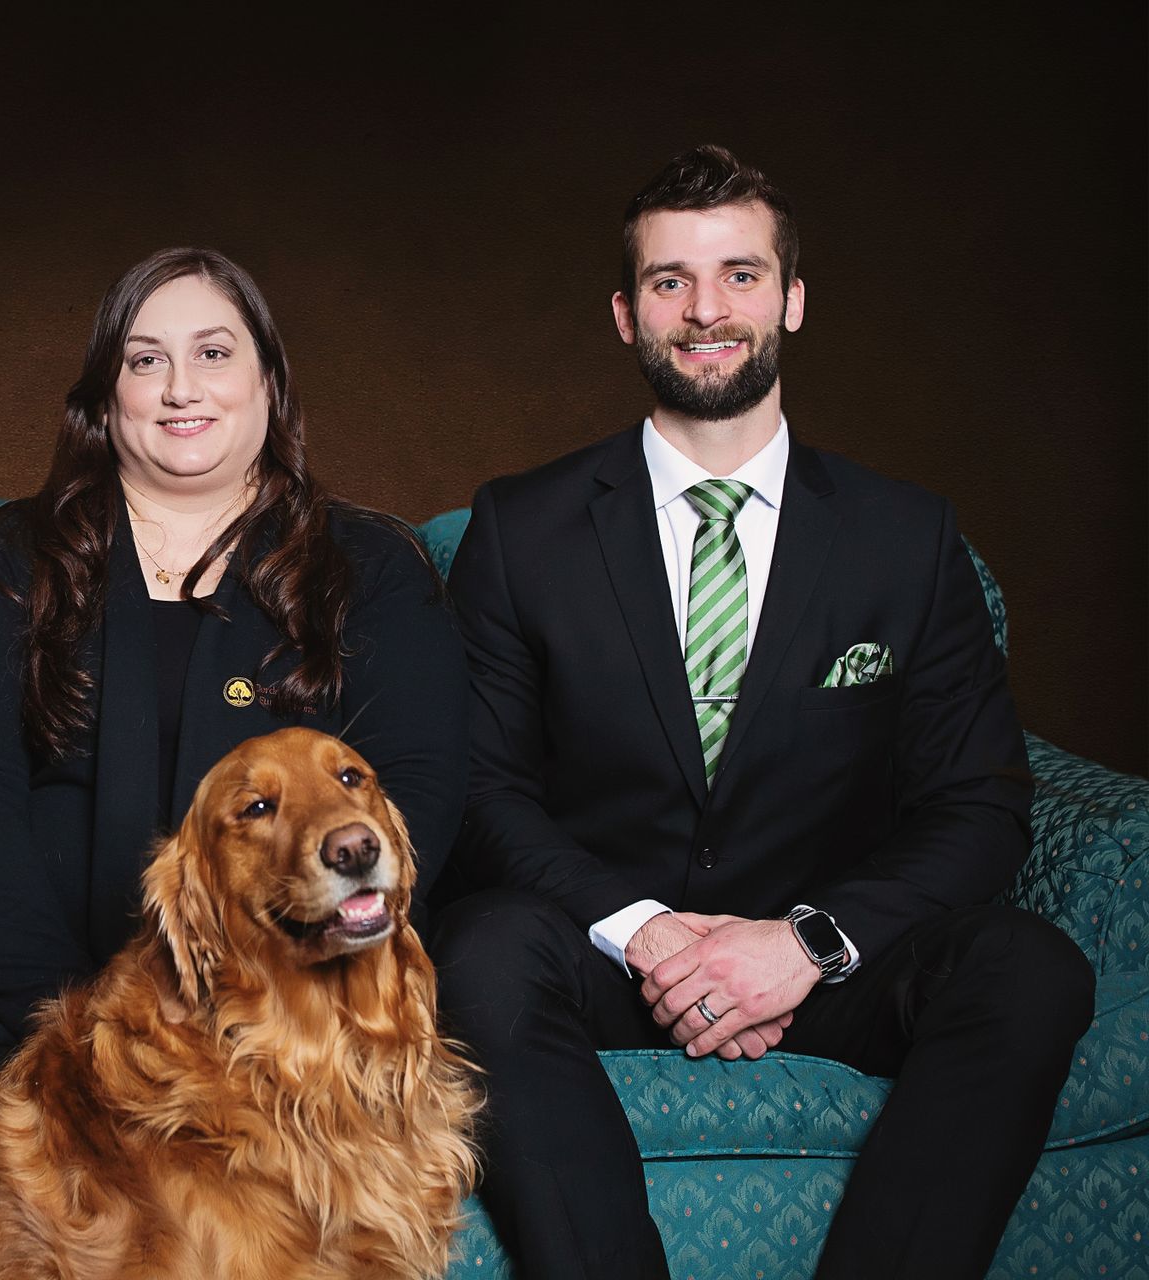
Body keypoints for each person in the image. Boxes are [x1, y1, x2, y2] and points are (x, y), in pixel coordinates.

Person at [434, 146, 1094, 1280]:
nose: (705, 310)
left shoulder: (908, 536)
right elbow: (481, 788)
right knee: (476, 949)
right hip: (608, 955)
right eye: (670, 281)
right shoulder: (521, 528)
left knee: (1029, 966)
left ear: (792, 297)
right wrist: (640, 926)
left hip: (829, 963)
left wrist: (805, 943)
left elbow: (978, 803)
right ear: (625, 313)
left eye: (740, 275)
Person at [0, 246, 468, 1166]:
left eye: (215, 354)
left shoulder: (371, 568)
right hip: (20, 981)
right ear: (106, 398)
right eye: (146, 360)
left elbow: (418, 780)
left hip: (285, 980)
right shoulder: (4, 563)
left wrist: (284, 960)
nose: (180, 387)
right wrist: (78, 1023)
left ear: (269, 382)